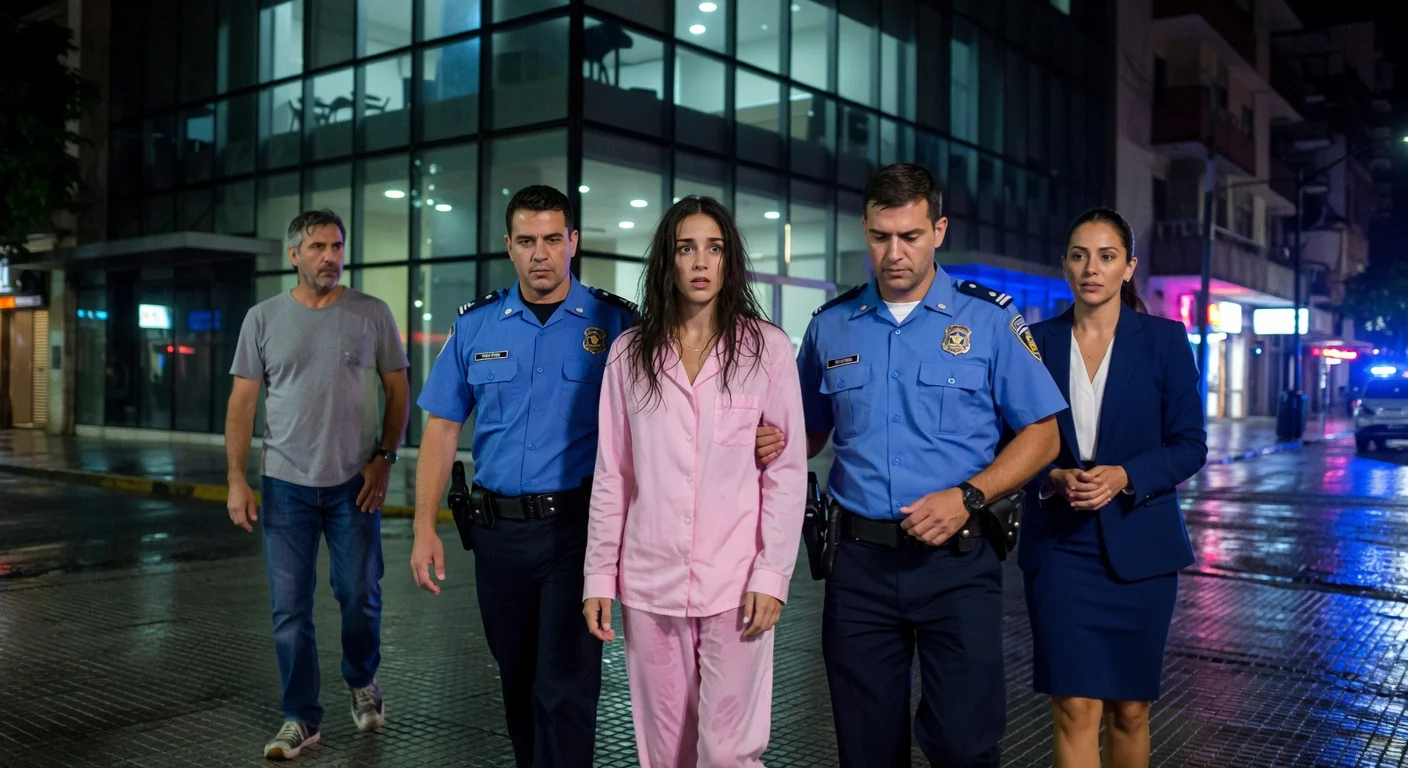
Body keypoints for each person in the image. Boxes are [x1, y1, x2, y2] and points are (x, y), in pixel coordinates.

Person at [409, 186, 782, 767]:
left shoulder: (618, 325)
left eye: (553, 239)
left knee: (565, 689)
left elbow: (651, 433)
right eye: (527, 241)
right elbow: (441, 428)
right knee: (517, 683)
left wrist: (748, 436)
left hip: (576, 528)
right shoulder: (477, 326)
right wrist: (422, 526)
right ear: (508, 246)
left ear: (573, 243)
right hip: (498, 532)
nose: (541, 254)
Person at [796, 163, 1066, 768]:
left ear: (938, 230)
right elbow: (807, 434)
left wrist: (969, 496)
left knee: (962, 744)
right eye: (881, 236)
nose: (894, 252)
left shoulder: (989, 320)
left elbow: (1043, 436)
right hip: (857, 566)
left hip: (957, 563)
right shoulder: (830, 325)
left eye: (910, 236)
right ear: (864, 229)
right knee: (865, 751)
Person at [581, 196, 808, 767]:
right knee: (665, 752)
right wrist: (598, 577)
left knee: (728, 751)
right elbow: (613, 473)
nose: (701, 262)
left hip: (736, 585)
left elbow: (786, 473)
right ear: (668, 262)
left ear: (730, 261)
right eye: (687, 248)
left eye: (715, 248)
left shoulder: (768, 351)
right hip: (649, 583)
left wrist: (773, 573)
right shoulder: (628, 356)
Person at [1019, 208, 1207, 768]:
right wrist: (1048, 474)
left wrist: (1126, 475)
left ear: (1129, 267)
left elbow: (1190, 444)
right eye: (1079, 256)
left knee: (1130, 709)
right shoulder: (1036, 342)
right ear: (1064, 265)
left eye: (1105, 257)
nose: (1091, 268)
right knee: (1074, 706)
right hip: (1060, 547)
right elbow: (1008, 438)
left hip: (1141, 546)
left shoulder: (1165, 341)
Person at [225, 209, 410, 760]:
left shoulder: (371, 314)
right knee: (289, 608)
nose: (330, 256)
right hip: (285, 485)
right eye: (318, 247)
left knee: (359, 595)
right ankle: (301, 717)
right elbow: (242, 403)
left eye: (336, 246)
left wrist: (384, 459)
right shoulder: (262, 319)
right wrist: (237, 479)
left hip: (356, 483)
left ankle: (361, 677)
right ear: (294, 255)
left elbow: (398, 392)